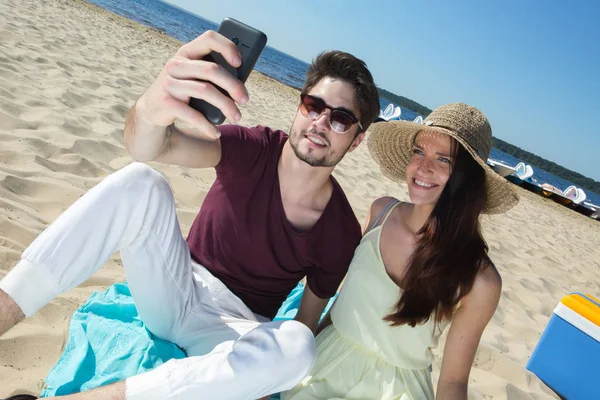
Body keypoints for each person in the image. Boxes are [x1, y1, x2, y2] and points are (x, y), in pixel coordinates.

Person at [0, 30, 380, 400]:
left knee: (298, 346)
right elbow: (153, 146)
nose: (319, 123)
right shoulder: (254, 149)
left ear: (357, 138)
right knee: (142, 181)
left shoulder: (341, 231)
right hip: (176, 286)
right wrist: (152, 106)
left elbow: (304, 324)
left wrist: (262, 375)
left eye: (341, 119)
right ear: (300, 107)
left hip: (232, 331)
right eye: (313, 106)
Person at [282, 103, 519, 400]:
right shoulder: (381, 211)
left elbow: (453, 382)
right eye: (418, 152)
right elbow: (342, 305)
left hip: (397, 391)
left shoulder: (480, 280)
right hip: (325, 364)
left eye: (443, 159)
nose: (423, 167)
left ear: (466, 178)